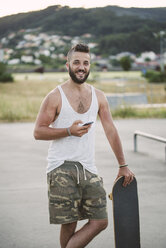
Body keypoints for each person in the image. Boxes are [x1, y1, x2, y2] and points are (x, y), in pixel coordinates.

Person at [34, 43, 135, 248]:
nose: (81, 67)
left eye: (86, 63)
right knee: (69, 225)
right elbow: (38, 131)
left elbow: (110, 130)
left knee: (100, 221)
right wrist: (68, 131)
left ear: (90, 66)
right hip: (61, 167)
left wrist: (122, 165)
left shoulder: (99, 96)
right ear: (68, 65)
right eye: (77, 62)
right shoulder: (55, 96)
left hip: (89, 168)